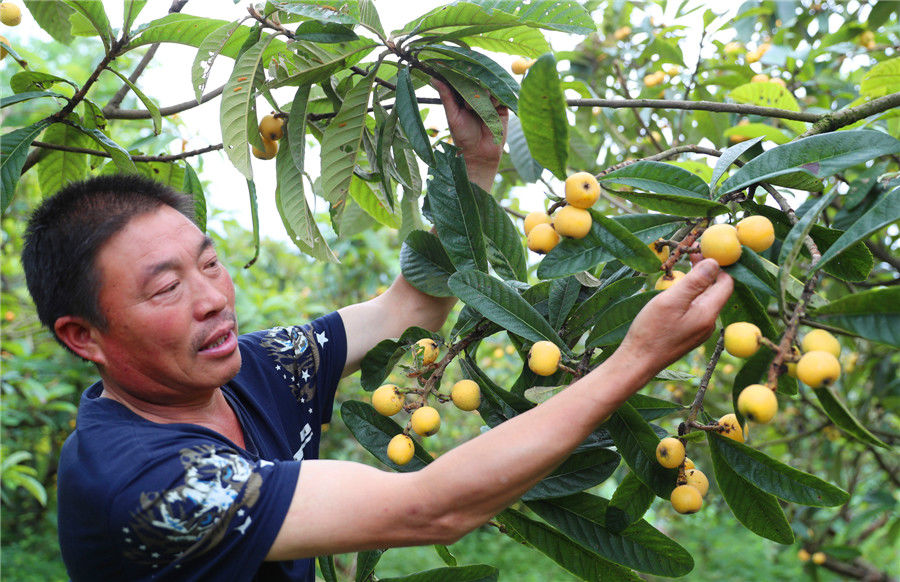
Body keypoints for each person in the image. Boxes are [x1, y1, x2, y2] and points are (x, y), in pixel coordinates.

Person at [22, 81, 733, 581]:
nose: (212, 298)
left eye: (211, 263)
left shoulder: (247, 368)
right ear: (84, 337)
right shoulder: (144, 484)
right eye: (167, 288)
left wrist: (473, 169)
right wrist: (635, 359)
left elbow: (408, 309)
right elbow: (428, 508)